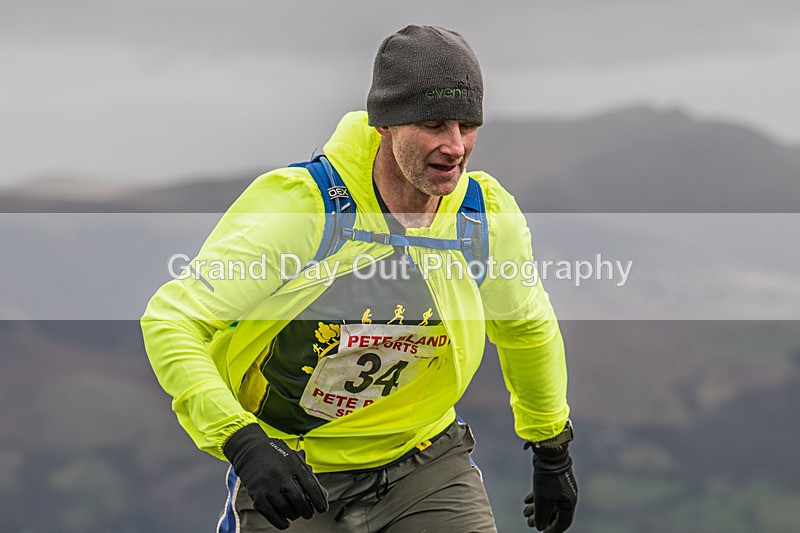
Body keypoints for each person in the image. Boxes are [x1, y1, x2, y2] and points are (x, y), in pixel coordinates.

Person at [141, 24, 577, 532]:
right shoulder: (302, 208)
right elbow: (173, 322)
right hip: (296, 472)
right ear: (385, 124)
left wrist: (552, 447)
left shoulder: (482, 217)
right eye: (435, 124)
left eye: (468, 125)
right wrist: (243, 442)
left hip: (427, 464)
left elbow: (524, 326)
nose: (455, 146)